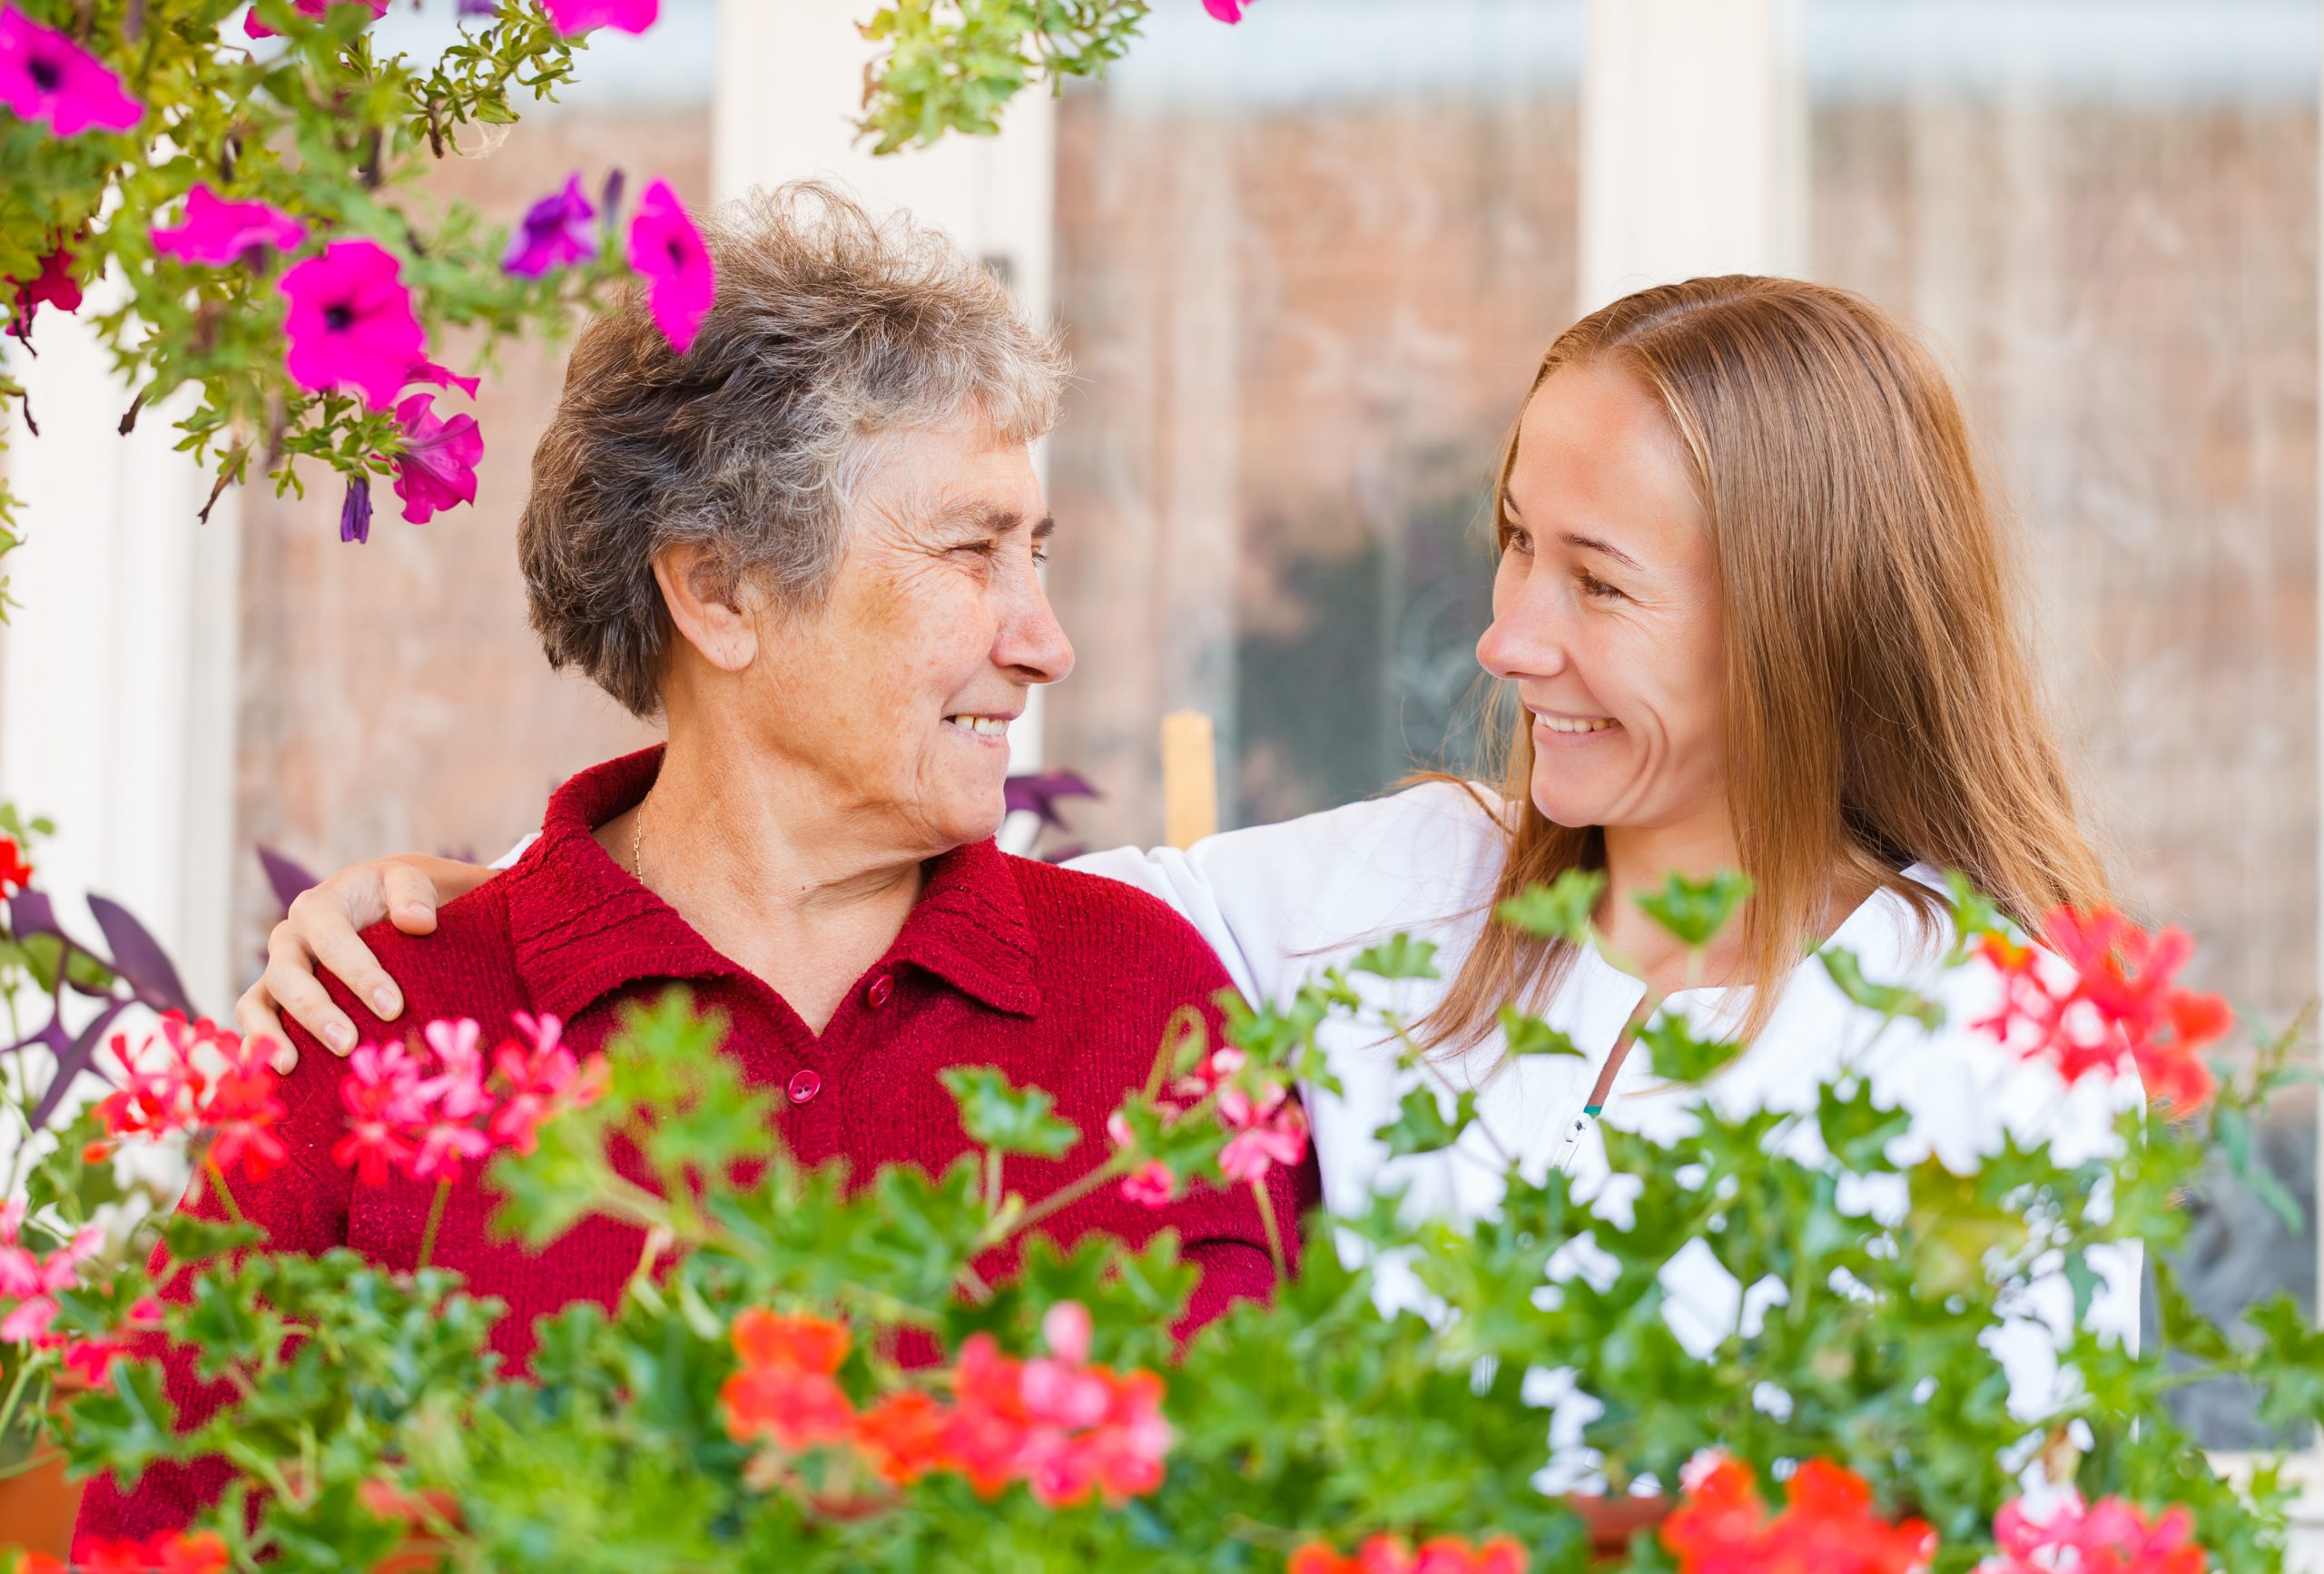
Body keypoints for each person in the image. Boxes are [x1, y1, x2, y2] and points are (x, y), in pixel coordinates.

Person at [247, 275, 2138, 1421]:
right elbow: (808, 859)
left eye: (1595, 583)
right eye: (1507, 545)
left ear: (1795, 621)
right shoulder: (1403, 901)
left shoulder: (1992, 1044)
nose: (1505, 637)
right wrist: (465, 909)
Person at [80, 183, 1315, 1546]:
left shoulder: (1142, 1000)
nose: (1044, 639)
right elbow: (158, 1528)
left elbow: (1249, 1515)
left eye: (1037, 551)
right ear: (717, 590)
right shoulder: (387, 1024)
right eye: (973, 552)